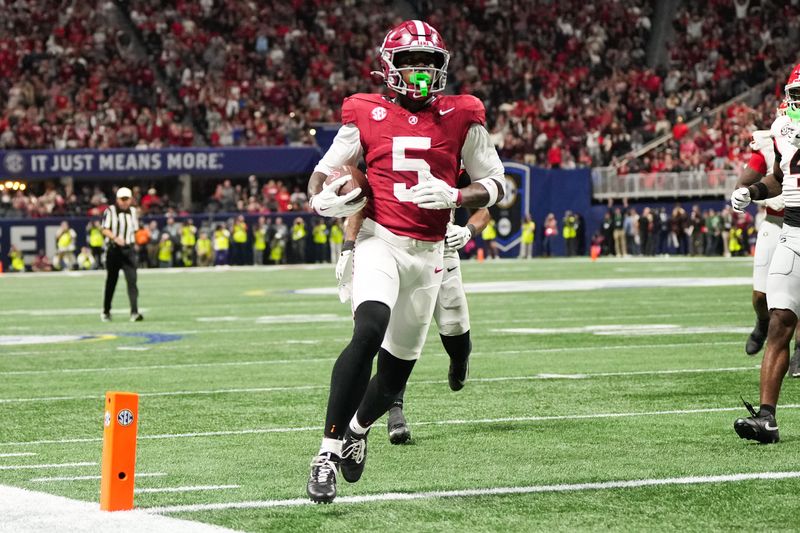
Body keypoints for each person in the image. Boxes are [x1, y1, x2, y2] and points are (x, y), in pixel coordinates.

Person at [303, 20, 504, 503]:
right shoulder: (364, 112)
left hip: (432, 252)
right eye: (410, 61)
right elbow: (323, 173)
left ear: (442, 67)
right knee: (368, 330)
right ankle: (327, 452)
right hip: (380, 239)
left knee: (395, 373)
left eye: (428, 62)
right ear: (389, 66)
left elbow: (496, 183)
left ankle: (357, 429)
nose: (419, 71)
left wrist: (456, 193)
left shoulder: (462, 114)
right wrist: (320, 201)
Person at [336, 172, 492, 445]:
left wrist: (468, 230)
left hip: (440, 248)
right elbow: (358, 203)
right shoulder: (381, 152)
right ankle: (394, 411)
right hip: (390, 249)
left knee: (455, 330)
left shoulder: (450, 151)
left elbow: (485, 207)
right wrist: (349, 246)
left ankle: (459, 359)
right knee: (391, 335)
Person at [730, 64, 800, 443]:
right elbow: (779, 176)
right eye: (796, 93)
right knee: (779, 319)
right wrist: (753, 192)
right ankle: (767, 419)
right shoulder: (783, 129)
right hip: (792, 229)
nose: (798, 101)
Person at [734, 121, 800, 369]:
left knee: (795, 296)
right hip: (775, 222)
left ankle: (799, 350)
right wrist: (747, 192)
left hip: (796, 225)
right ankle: (762, 321)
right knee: (761, 296)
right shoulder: (773, 138)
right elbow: (750, 180)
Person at [101, 187, 143, 322]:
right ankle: (106, 311)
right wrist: (115, 238)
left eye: (127, 199)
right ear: (117, 199)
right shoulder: (110, 211)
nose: (124, 202)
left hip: (128, 251)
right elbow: (104, 229)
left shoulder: (133, 212)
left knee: (132, 281)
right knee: (111, 282)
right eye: (122, 199)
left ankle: (134, 312)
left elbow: (135, 231)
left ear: (131, 199)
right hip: (114, 250)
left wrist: (136, 242)